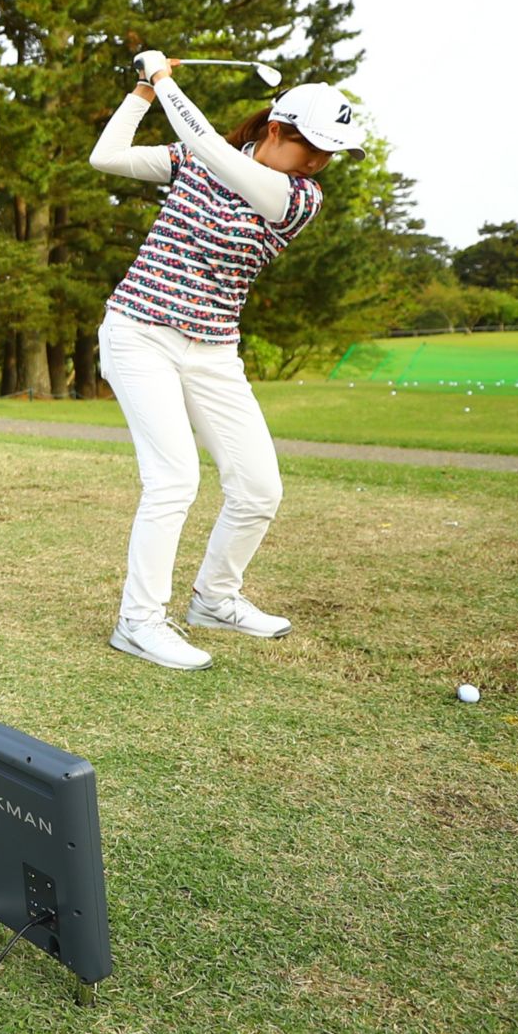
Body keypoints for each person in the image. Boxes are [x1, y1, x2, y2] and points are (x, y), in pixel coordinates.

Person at [86, 52, 365, 672]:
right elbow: (105, 157)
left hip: (213, 351)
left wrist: (164, 76)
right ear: (276, 128)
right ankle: (138, 622)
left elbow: (211, 146)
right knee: (174, 478)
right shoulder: (192, 161)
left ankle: (214, 599)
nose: (320, 161)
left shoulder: (297, 197)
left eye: (329, 152)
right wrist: (142, 91)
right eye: (312, 144)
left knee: (259, 487)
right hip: (139, 334)